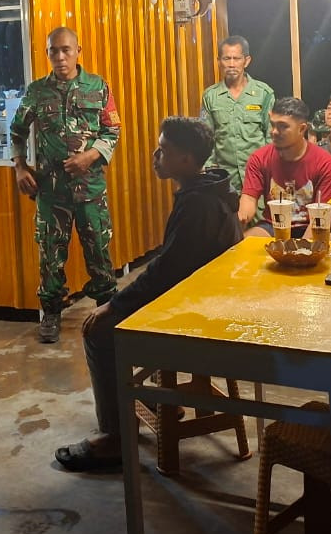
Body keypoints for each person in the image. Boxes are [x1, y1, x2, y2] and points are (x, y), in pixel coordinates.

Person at [54, 117, 239, 472]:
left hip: (203, 315)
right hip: (202, 299)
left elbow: (167, 271)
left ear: (186, 159)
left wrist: (114, 305)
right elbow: (170, 265)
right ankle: (160, 401)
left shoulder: (198, 205)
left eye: (163, 150)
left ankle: (115, 438)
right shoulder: (208, 189)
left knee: (98, 331)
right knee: (120, 309)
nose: (155, 156)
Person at [11, 26, 121, 344]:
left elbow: (112, 130)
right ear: (47, 54)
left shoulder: (97, 87)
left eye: (66, 50)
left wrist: (90, 156)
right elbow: (17, 131)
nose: (60, 57)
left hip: (90, 190)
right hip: (51, 191)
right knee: (50, 255)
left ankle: (107, 312)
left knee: (98, 251)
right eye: (53, 51)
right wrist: (20, 167)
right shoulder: (37, 91)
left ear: (77, 51)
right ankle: (51, 313)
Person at [239, 97, 331, 238]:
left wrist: (299, 248)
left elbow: (322, 216)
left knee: (326, 242)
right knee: (246, 242)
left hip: (315, 223)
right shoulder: (259, 158)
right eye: (273, 125)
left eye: (283, 126)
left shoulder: (325, 162)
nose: (274, 132)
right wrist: (240, 218)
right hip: (273, 224)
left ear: (302, 129)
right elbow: (249, 199)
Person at [198, 35, 274, 192]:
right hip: (224, 180)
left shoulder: (263, 93)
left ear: (246, 61)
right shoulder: (210, 96)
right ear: (219, 61)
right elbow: (205, 137)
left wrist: (269, 170)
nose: (231, 64)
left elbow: (271, 136)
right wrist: (209, 172)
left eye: (237, 58)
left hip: (258, 177)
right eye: (226, 58)